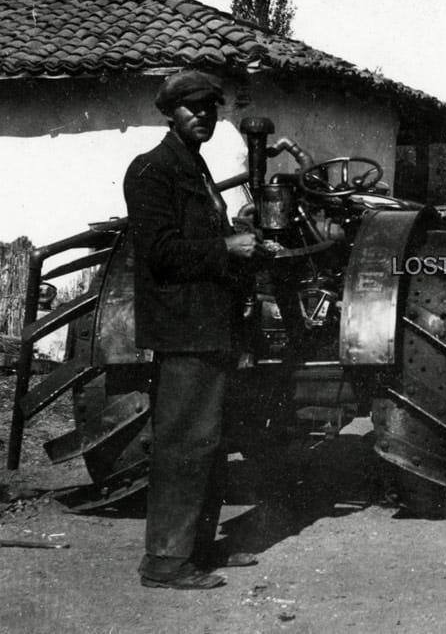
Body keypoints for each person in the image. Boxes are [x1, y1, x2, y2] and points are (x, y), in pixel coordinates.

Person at [124, 70, 264, 589]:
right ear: (170, 112)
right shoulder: (152, 171)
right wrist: (226, 249)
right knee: (184, 442)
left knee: (207, 440)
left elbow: (201, 236)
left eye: (211, 108)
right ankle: (165, 561)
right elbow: (159, 253)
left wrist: (237, 236)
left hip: (209, 324)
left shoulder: (195, 167)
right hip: (183, 328)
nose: (203, 115)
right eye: (193, 108)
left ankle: (197, 550)